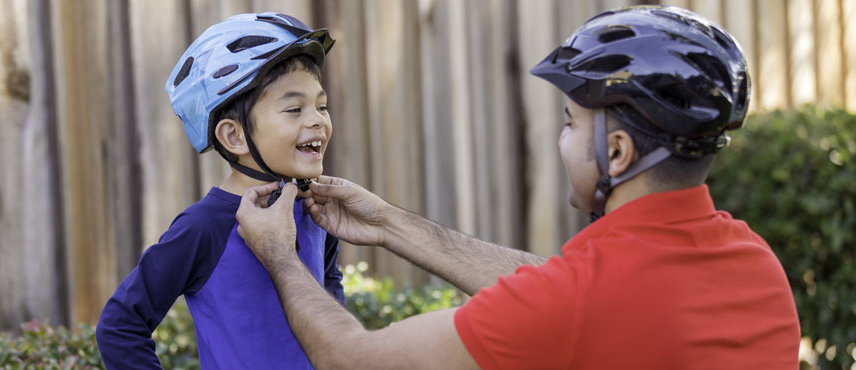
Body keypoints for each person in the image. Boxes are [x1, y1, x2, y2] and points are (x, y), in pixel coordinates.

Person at [235, 6, 800, 369]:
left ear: (618, 153)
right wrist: (388, 223)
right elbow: (562, 294)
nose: (561, 139)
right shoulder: (754, 263)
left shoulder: (580, 300)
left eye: (571, 123)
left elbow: (348, 360)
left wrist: (282, 257)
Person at [95, 13, 344, 369]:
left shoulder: (314, 208)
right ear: (234, 136)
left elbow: (330, 284)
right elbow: (120, 326)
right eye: (294, 109)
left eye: (321, 106)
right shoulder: (205, 226)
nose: (317, 119)